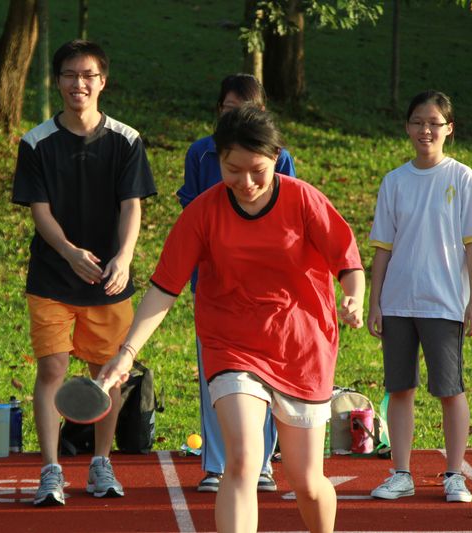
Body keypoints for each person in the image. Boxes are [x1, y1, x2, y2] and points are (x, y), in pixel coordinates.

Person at [101, 105, 365, 533]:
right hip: (231, 345)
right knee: (242, 459)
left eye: (257, 171)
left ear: (276, 158)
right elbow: (165, 287)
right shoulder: (203, 213)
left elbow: (348, 262)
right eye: (233, 170)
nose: (246, 183)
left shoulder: (304, 199)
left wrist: (354, 297)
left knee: (306, 481)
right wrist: (127, 352)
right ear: (218, 159)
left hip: (301, 346)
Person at [12, 39, 156, 507]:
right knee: (53, 368)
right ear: (57, 82)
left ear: (102, 81)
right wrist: (70, 252)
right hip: (52, 277)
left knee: (107, 373)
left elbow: (131, 206)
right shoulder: (35, 142)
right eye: (70, 75)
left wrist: (124, 257)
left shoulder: (127, 139)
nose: (79, 83)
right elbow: (40, 211)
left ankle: (100, 462)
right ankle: (51, 469)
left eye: (88, 75)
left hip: (109, 279)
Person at [367, 90, 472, 504]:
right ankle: (401, 473)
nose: (426, 130)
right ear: (407, 127)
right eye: (418, 122)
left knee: (449, 389)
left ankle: (454, 474)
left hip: (444, 303)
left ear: (448, 128)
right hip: (398, 302)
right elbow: (382, 249)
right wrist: (375, 302)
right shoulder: (394, 181)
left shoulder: (462, 177)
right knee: (400, 388)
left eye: (434, 123)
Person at [177, 73, 296, 494]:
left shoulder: (279, 157)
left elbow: (289, 213)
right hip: (213, 287)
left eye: (246, 110)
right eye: (229, 109)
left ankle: (261, 464)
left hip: (265, 292)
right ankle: (216, 465)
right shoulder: (200, 153)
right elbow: (191, 217)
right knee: (218, 378)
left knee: (264, 379)